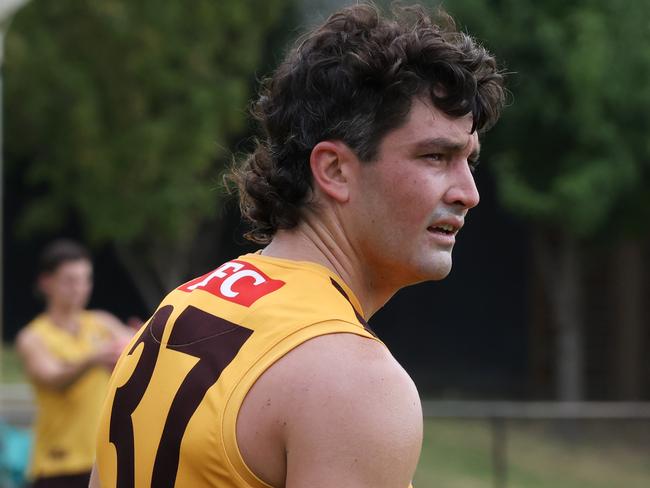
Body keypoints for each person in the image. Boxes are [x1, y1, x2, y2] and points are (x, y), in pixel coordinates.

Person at [93, 3, 505, 487]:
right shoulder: (354, 381)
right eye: (435, 156)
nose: (468, 193)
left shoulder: (181, 306)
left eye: (469, 162)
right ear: (333, 170)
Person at [15, 240, 132, 488]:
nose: (79, 288)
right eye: (69, 280)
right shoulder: (33, 336)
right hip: (57, 466)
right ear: (46, 283)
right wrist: (92, 359)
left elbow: (135, 351)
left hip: (102, 462)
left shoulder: (102, 322)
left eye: (85, 279)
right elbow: (52, 378)